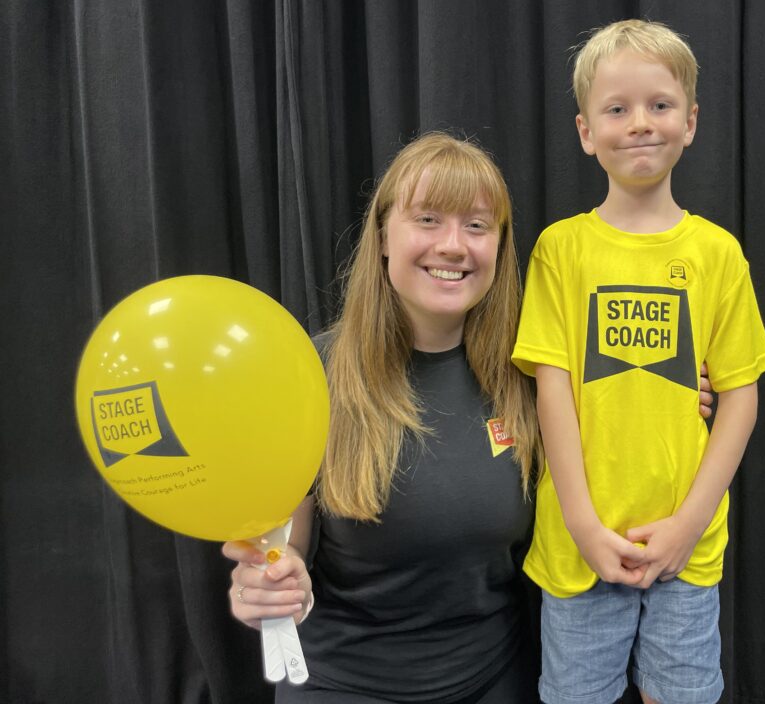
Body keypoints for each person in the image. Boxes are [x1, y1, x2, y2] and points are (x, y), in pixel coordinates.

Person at [223, 131, 714, 703]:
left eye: (477, 226)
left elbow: (630, 424)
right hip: (344, 683)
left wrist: (670, 397)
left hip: (497, 680)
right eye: (428, 220)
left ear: (500, 248)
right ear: (383, 236)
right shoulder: (309, 374)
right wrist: (271, 591)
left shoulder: (538, 377)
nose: (454, 245)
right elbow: (286, 553)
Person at [511, 20, 765, 704]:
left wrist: (688, 523)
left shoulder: (717, 254)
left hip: (685, 551)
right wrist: (582, 524)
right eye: (617, 108)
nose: (639, 124)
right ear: (584, 131)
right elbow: (553, 388)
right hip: (580, 549)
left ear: (690, 123)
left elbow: (741, 397)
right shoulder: (559, 250)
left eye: (659, 106)